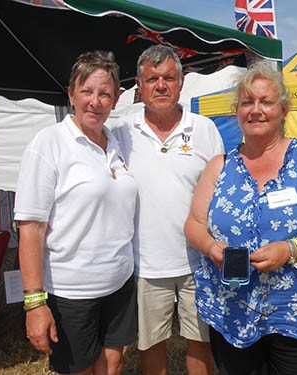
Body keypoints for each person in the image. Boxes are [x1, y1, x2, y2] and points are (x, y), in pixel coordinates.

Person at [184, 60, 297, 375]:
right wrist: (211, 248)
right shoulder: (220, 166)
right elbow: (194, 224)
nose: (256, 110)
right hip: (233, 312)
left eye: (266, 102)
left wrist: (291, 249)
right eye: (247, 102)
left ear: (284, 110)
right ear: (236, 111)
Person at [14, 51, 138, 375]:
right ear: (71, 94)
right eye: (87, 91)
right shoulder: (49, 144)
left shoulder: (117, 143)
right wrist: (34, 304)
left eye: (104, 94)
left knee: (113, 364)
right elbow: (30, 228)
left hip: (119, 283)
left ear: (115, 99)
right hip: (72, 291)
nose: (95, 102)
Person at [110, 45, 224, 375]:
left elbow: (219, 193)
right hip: (145, 262)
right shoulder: (121, 132)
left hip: (199, 261)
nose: (161, 85)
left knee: (201, 341)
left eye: (169, 78)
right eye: (152, 79)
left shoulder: (204, 130)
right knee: (150, 344)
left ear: (182, 82)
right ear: (140, 86)